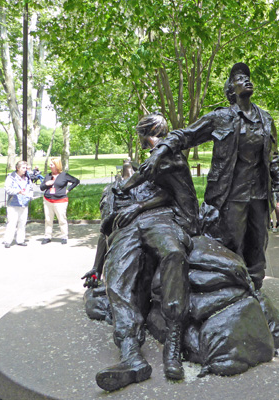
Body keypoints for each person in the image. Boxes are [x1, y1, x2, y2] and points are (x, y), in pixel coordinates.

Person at [140, 62, 279, 291]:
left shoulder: (266, 119)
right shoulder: (221, 118)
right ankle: (233, 291)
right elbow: (184, 136)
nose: (246, 80)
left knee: (257, 244)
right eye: (239, 78)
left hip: (259, 193)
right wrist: (159, 153)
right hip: (230, 194)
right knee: (230, 244)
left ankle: (254, 290)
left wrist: (278, 185)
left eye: (247, 77)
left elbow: (273, 156)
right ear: (230, 90)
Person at [82, 113, 199, 391]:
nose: (126, 168)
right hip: (126, 229)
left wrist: (140, 204)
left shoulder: (156, 166)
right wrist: (98, 267)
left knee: (174, 253)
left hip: (160, 220)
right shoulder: (113, 190)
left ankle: (173, 340)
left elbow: (170, 194)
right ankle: (131, 354)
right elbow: (104, 230)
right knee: (118, 277)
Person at [40, 157, 80, 244]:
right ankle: (47, 236)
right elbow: (41, 188)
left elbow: (76, 181)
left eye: (52, 164)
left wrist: (68, 190)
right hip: (48, 200)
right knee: (48, 219)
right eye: (50, 164)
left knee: (62, 219)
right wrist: (46, 184)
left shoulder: (64, 175)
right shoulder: (48, 176)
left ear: (57, 165)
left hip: (60, 201)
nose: (50, 166)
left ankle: (64, 236)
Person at [3, 161, 34, 248]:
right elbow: (7, 189)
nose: (25, 170)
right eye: (23, 168)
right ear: (18, 168)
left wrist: (30, 195)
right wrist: (18, 191)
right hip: (13, 203)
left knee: (22, 222)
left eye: (26, 168)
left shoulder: (27, 177)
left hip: (24, 203)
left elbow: (30, 188)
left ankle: (20, 240)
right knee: (12, 222)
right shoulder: (11, 177)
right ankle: (8, 240)